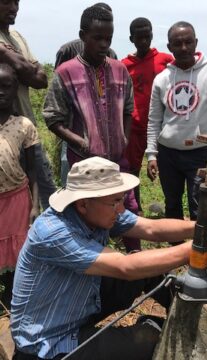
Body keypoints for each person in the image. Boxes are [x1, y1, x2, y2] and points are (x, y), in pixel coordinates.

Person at [10, 156, 207, 360]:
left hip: (77, 307)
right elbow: (126, 267)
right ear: (82, 203)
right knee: (152, 338)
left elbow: (151, 229)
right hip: (48, 342)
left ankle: (186, 319)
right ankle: (152, 330)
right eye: (116, 202)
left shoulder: (97, 210)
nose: (121, 208)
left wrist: (205, 227)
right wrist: (200, 248)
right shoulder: (54, 232)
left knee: (149, 271)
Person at [43, 5, 140, 252]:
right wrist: (82, 143)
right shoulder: (66, 73)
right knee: (90, 219)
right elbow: (52, 118)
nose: (104, 44)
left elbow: (128, 109)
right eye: (97, 38)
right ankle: (98, 271)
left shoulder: (119, 70)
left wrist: (124, 138)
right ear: (83, 35)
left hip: (118, 162)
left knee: (128, 211)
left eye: (108, 38)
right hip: (84, 165)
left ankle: (138, 266)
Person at [146, 21, 207, 220]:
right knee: (172, 203)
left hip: (201, 153)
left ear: (196, 42)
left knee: (200, 205)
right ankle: (176, 248)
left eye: (188, 42)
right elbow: (154, 120)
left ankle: (199, 249)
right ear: (169, 47)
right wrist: (151, 155)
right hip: (168, 154)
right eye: (177, 43)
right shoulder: (162, 79)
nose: (183, 48)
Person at [0, 0, 56, 210]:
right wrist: (23, 65)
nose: (13, 7)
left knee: (45, 191)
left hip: (27, 128)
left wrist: (8, 56)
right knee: (12, 198)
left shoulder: (17, 37)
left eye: (16, 2)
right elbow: (30, 70)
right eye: (6, 2)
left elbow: (41, 80)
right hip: (4, 134)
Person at [54, 2, 117, 187]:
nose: (103, 44)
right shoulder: (68, 50)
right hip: (74, 127)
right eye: (98, 37)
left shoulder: (111, 54)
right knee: (71, 169)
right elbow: (59, 89)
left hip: (105, 131)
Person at [121, 17, 173, 212]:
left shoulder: (166, 60)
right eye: (139, 37)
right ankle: (136, 208)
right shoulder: (125, 65)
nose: (144, 41)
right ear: (131, 38)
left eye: (147, 36)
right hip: (134, 127)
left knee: (168, 169)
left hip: (162, 127)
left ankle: (172, 207)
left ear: (152, 35)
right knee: (131, 169)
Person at [0, 63, 39, 308]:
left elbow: (33, 170)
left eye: (7, 87)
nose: (1, 92)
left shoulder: (24, 125)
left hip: (16, 198)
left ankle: (14, 297)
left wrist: (35, 205)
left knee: (16, 250)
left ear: (16, 90)